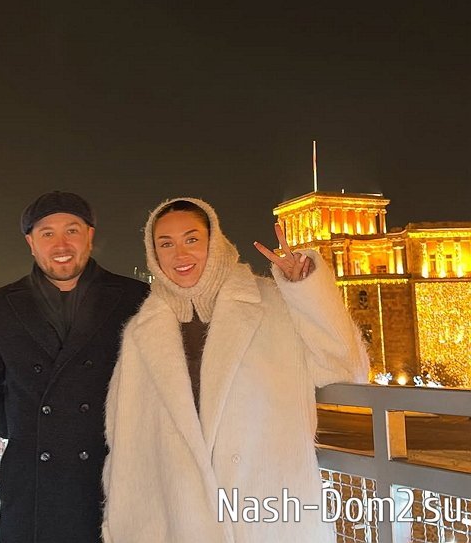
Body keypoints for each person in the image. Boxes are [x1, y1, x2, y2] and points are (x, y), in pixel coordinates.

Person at [102, 197, 369, 543]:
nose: (180, 254)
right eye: (165, 244)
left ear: (214, 241)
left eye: (192, 239)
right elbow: (125, 446)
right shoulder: (142, 333)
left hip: (267, 519)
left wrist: (306, 290)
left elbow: (344, 369)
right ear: (154, 254)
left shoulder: (272, 304)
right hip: (178, 526)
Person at [0, 191, 149, 543]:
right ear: (31, 242)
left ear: (90, 235)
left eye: (72, 231)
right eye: (47, 233)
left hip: (109, 473)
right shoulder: (1, 304)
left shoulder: (135, 297)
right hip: (33, 479)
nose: (61, 244)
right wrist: (27, 429)